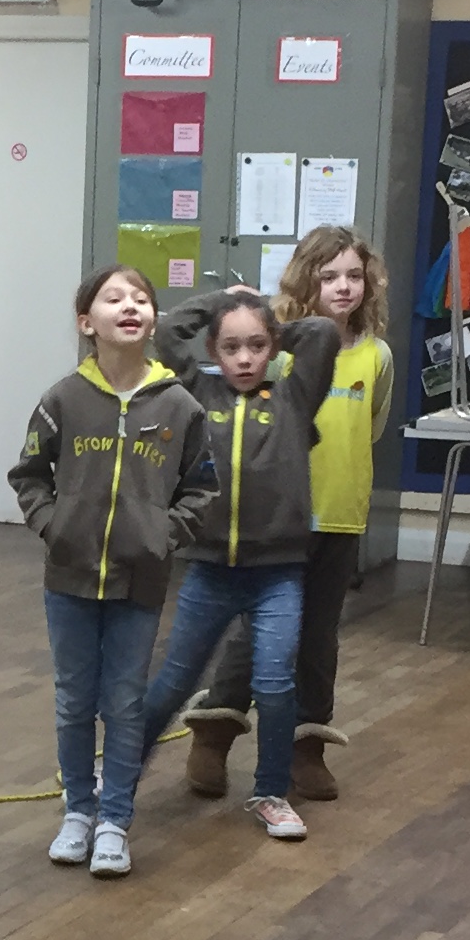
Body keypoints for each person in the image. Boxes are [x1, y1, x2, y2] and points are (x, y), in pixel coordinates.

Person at [9, 263, 214, 879]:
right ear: (86, 322)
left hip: (140, 582)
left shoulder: (179, 405)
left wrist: (163, 536)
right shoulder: (63, 399)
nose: (130, 306)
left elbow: (202, 488)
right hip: (69, 579)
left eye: (141, 299)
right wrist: (54, 527)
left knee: (124, 702)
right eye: (113, 298)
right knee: (75, 700)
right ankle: (78, 810)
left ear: (152, 320)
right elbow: (28, 475)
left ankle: (115, 820)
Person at [181, 226, 394, 805]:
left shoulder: (377, 355)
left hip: (339, 515)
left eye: (354, 276)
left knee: (319, 637)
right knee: (258, 634)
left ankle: (307, 747)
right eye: (329, 277)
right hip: (275, 519)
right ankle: (214, 732)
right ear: (306, 280)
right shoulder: (276, 355)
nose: (343, 287)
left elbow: (372, 425)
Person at [135, 289, 346, 845]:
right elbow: (168, 333)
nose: (245, 359)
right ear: (214, 352)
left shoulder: (294, 397)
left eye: (257, 346)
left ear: (272, 347)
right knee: (174, 682)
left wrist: (265, 317)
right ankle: (119, 779)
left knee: (275, 685)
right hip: (211, 572)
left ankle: (270, 791)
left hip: (278, 575)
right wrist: (223, 301)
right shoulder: (197, 393)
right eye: (231, 348)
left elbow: (323, 334)